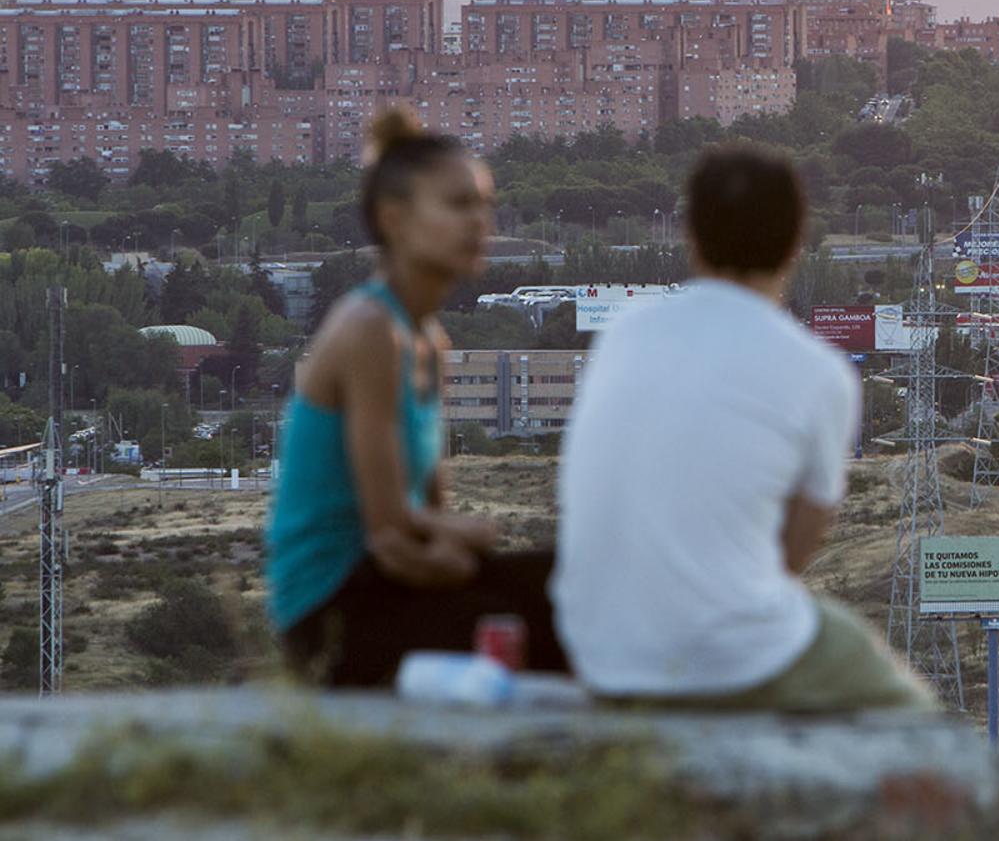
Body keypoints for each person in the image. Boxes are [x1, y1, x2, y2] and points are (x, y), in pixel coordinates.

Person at [554, 142, 933, 711]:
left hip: (596, 649)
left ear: (691, 235)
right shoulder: (820, 373)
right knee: (912, 713)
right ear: (795, 243)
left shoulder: (625, 334)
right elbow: (793, 554)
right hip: (724, 660)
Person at [266, 107, 569, 686]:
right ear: (394, 219)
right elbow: (389, 537)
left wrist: (464, 544)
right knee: (556, 621)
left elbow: (426, 517)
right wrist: (468, 546)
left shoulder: (429, 339)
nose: (480, 221)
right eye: (458, 205)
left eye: (484, 204)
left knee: (578, 587)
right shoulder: (370, 329)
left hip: (386, 584)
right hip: (332, 613)